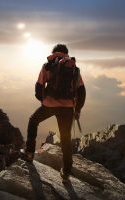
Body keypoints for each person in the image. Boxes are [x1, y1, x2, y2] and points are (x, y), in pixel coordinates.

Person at [20, 44, 86, 183]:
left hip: (49, 105)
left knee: (33, 120)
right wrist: (78, 109)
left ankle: (29, 153)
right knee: (65, 138)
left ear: (54, 52)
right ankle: (66, 172)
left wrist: (44, 101)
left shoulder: (47, 65)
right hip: (68, 108)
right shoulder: (74, 68)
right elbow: (82, 91)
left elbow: (38, 87)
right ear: (66, 54)